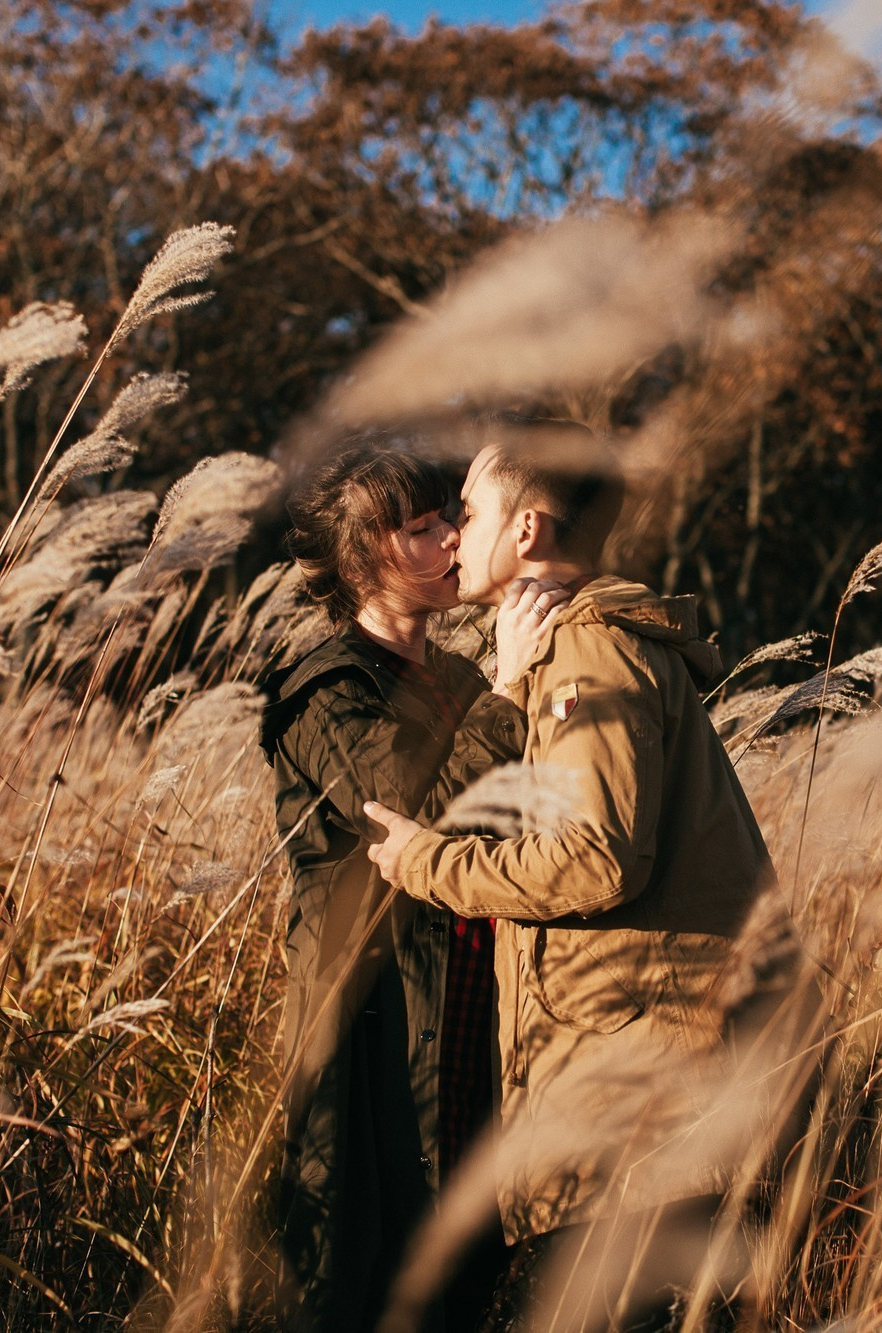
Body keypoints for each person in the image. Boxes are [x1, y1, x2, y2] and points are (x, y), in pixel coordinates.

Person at [361, 421, 776, 1329]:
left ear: (527, 529)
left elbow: (595, 854)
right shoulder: (581, 649)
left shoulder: (591, 650)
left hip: (635, 1110)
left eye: (468, 513)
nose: (453, 536)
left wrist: (425, 862)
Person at [260, 441, 569, 1333]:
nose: (451, 539)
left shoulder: (459, 679)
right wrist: (510, 697)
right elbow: (424, 819)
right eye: (423, 527)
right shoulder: (324, 692)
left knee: (467, 1272)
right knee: (376, 1276)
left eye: (449, 519)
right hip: (381, 1037)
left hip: (478, 1018)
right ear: (366, 559)